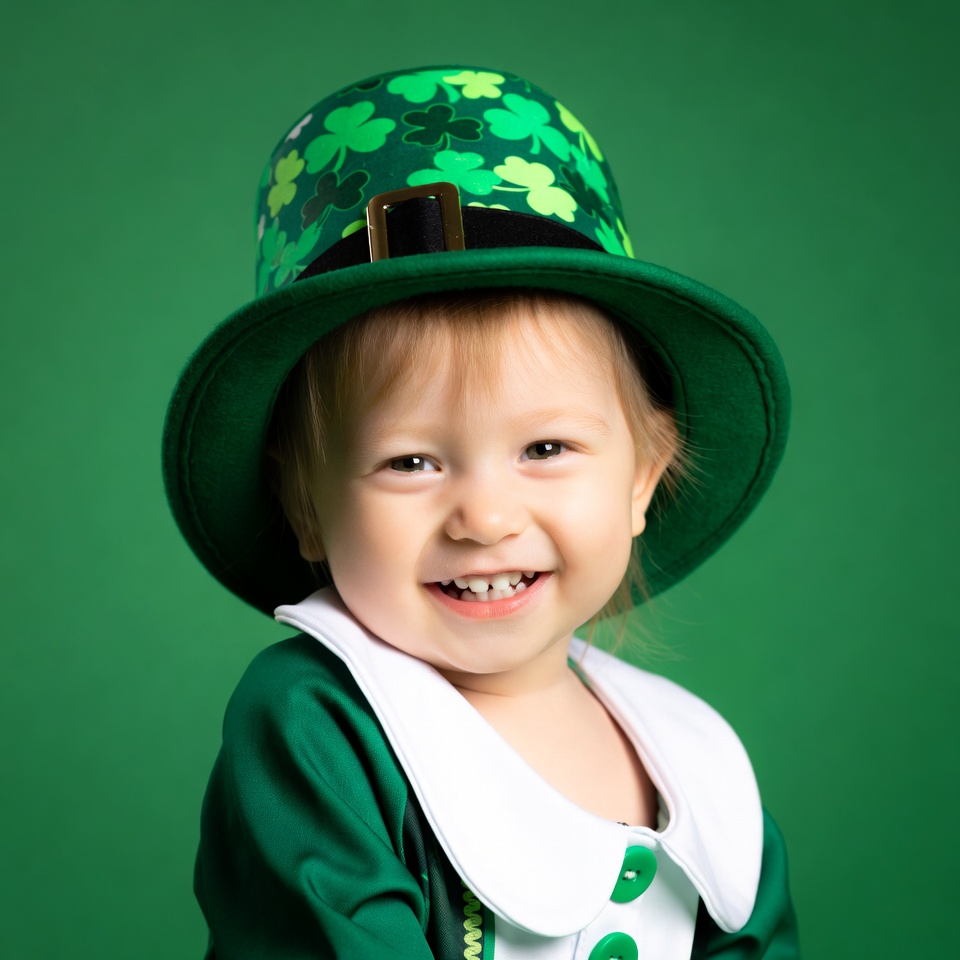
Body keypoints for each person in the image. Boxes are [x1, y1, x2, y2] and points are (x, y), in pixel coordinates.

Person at [163, 65, 798, 959]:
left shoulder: (696, 760)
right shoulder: (318, 722)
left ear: (643, 481)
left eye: (546, 448)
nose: (486, 518)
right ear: (305, 505)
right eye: (410, 462)